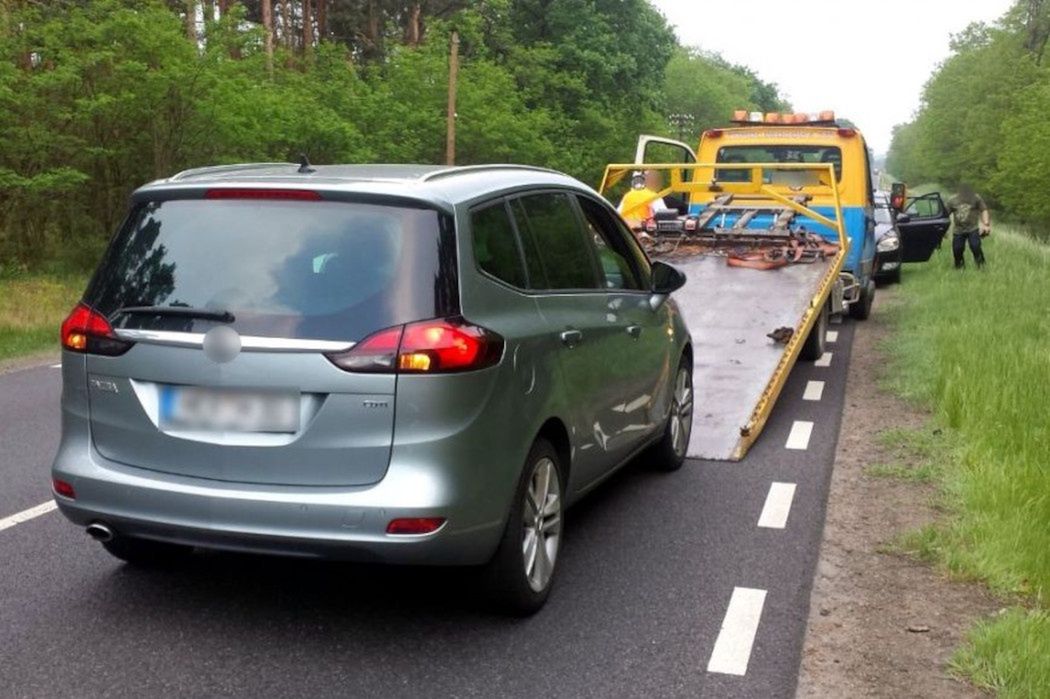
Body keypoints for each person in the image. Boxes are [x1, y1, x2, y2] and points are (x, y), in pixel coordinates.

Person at [946, 183, 991, 268]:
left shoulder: (976, 198)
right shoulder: (952, 200)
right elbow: (945, 215)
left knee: (975, 246)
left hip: (973, 228)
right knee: (957, 249)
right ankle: (959, 268)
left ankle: (981, 266)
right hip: (958, 230)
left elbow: (984, 210)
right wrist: (943, 230)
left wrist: (986, 224)